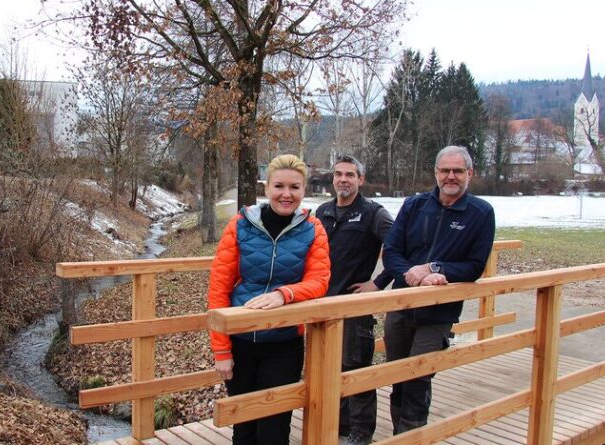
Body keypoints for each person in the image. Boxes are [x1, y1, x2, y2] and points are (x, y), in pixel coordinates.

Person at [207, 154, 331, 445]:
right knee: (244, 426)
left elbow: (319, 281)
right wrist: (221, 351)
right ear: (266, 188)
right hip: (240, 341)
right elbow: (218, 289)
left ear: (303, 190)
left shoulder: (313, 229)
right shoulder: (240, 225)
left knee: (275, 428)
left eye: (295, 187)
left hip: (283, 343)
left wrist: (284, 294)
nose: (286, 194)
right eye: (279, 186)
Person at [381, 145, 496, 434]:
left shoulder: (480, 213)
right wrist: (412, 275)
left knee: (419, 375)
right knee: (397, 373)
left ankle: (412, 436)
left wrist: (435, 268)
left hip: (439, 311)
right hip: (401, 303)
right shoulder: (415, 205)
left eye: (458, 171)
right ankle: (399, 435)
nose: (451, 176)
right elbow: (392, 250)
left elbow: (474, 266)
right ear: (436, 173)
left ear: (470, 173)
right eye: (445, 170)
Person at [315, 155, 393, 444]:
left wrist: (379, 282)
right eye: (338, 174)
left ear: (360, 179)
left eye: (350, 174)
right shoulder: (322, 212)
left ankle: (361, 432)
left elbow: (399, 245)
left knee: (355, 368)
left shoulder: (373, 213)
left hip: (353, 306)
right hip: (321, 305)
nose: (343, 179)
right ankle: (339, 423)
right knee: (326, 367)